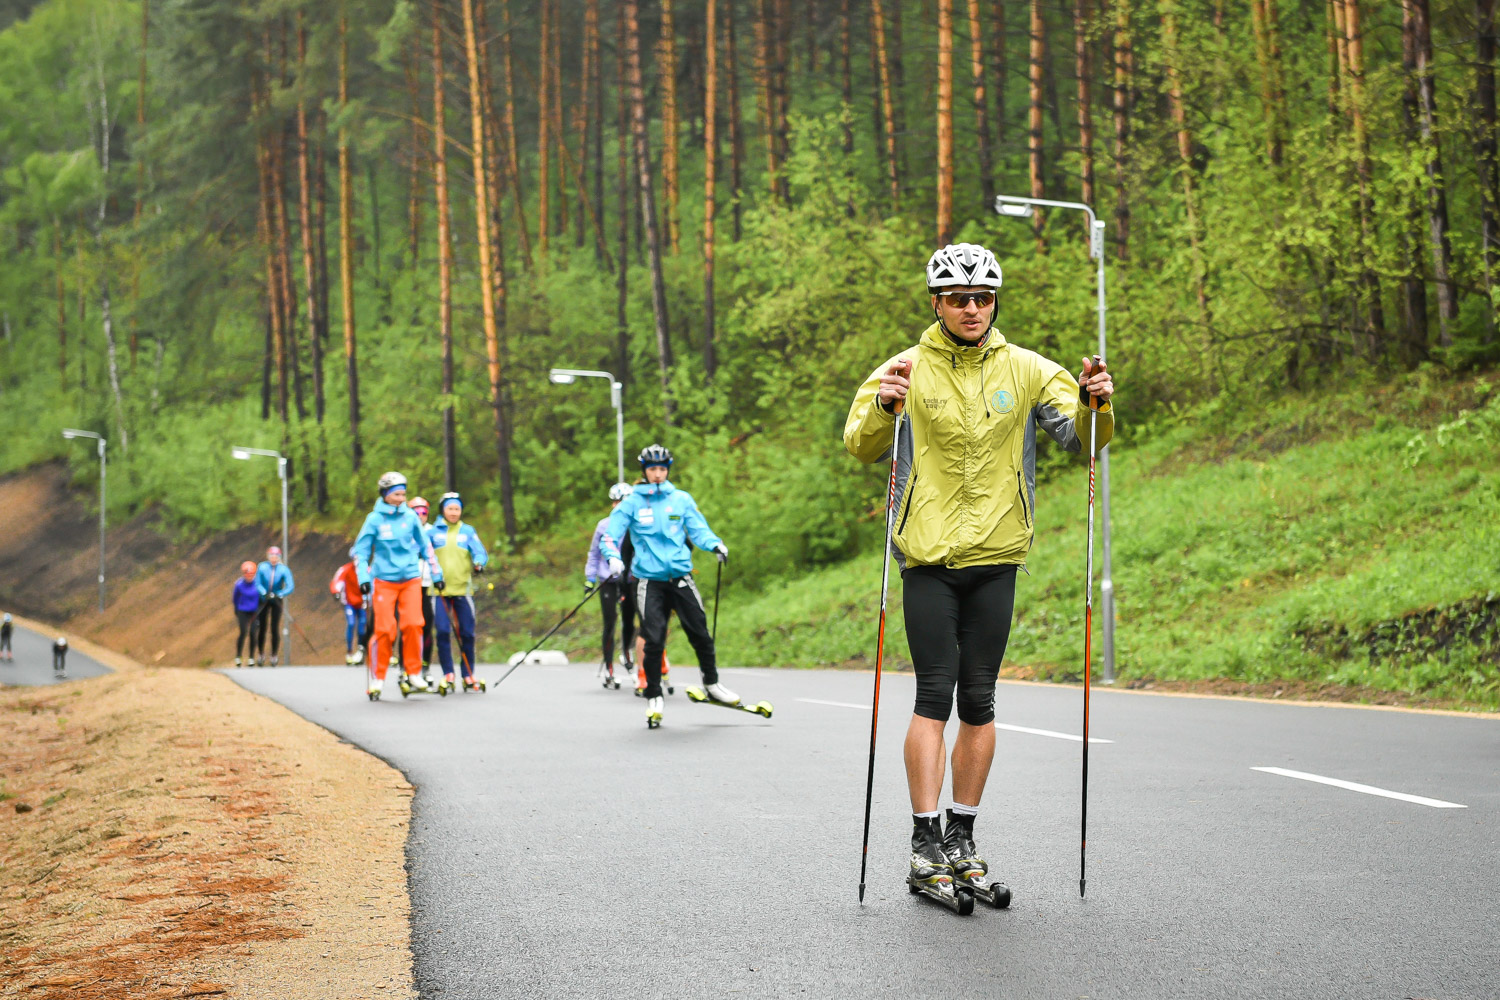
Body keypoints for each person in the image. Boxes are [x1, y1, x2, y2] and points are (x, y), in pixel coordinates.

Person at [843, 242, 1114, 899]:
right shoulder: (903, 369)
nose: (971, 308)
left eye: (983, 297)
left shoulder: (1027, 370)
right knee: (934, 694)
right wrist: (884, 405)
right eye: (958, 298)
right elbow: (860, 446)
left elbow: (1084, 444)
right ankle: (922, 844)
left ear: (995, 302)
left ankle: (962, 837)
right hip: (928, 556)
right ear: (935, 302)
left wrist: (1096, 404)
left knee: (981, 699)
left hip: (997, 554)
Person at [599, 444, 733, 729]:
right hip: (650, 581)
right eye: (652, 469)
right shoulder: (632, 502)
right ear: (644, 472)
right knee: (654, 639)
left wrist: (715, 544)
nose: (657, 474)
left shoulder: (681, 499)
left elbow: (698, 529)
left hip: (681, 577)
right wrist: (612, 558)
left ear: (668, 469)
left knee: (700, 632)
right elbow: (611, 534)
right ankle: (654, 695)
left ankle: (712, 684)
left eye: (662, 469)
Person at [350, 472, 444, 700]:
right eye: (397, 494)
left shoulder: (410, 517)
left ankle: (413, 673)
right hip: (384, 581)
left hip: (410, 578)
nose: (402, 498)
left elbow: (425, 546)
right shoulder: (374, 519)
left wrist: (436, 572)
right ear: (385, 494)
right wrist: (363, 578)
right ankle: (378, 677)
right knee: (384, 630)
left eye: (403, 493)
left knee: (413, 624)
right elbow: (360, 552)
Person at [429, 492, 489, 691]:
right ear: (443, 510)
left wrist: (479, 562)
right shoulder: (432, 532)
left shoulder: (468, 531)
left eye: (457, 508)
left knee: (467, 633)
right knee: (444, 632)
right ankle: (448, 673)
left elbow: (479, 551)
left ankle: (468, 674)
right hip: (439, 591)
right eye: (450, 508)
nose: (454, 513)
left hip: (463, 589)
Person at [586, 483, 636, 688]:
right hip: (607, 579)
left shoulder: (635, 525)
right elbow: (594, 554)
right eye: (614, 501)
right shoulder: (604, 525)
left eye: (621, 502)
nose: (617, 505)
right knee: (610, 622)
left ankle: (626, 652)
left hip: (629, 579)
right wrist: (589, 578)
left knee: (629, 620)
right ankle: (609, 667)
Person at [253, 545, 295, 666]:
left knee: (274, 627)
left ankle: (274, 655)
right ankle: (261, 653)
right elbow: (257, 583)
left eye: (276, 556)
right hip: (264, 599)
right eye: (271, 556)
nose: (274, 558)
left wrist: (280, 593)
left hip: (276, 599)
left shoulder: (283, 569)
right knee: (262, 627)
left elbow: (290, 586)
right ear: (268, 556)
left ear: (279, 557)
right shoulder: (262, 567)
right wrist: (263, 592)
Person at [409, 496, 436, 677]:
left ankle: (425, 664)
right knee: (409, 625)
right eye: (416, 512)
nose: (420, 515)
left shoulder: (432, 532)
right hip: (408, 583)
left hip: (428, 584)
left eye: (423, 512)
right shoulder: (404, 531)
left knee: (427, 625)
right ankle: (406, 665)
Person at [330, 559, 367, 665]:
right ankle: (349, 651)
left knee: (362, 627)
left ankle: (361, 651)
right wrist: (336, 592)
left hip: (362, 603)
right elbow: (337, 581)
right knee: (351, 624)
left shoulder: (367, 570)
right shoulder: (345, 569)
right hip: (349, 603)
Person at [233, 561, 262, 667]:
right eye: (246, 574)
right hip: (242, 611)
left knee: (253, 633)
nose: (249, 576)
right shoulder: (239, 584)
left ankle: (251, 657)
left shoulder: (258, 584)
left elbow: (262, 596)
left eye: (251, 574)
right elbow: (235, 598)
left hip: (254, 611)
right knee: (243, 632)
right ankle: (238, 656)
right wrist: (236, 610)